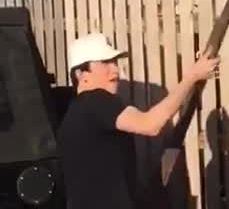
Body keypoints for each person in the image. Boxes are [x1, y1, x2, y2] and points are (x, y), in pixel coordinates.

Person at [56, 33, 220, 209]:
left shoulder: (74, 113)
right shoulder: (96, 100)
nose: (116, 70)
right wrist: (192, 77)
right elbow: (150, 124)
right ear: (81, 74)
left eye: (115, 62)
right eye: (105, 63)